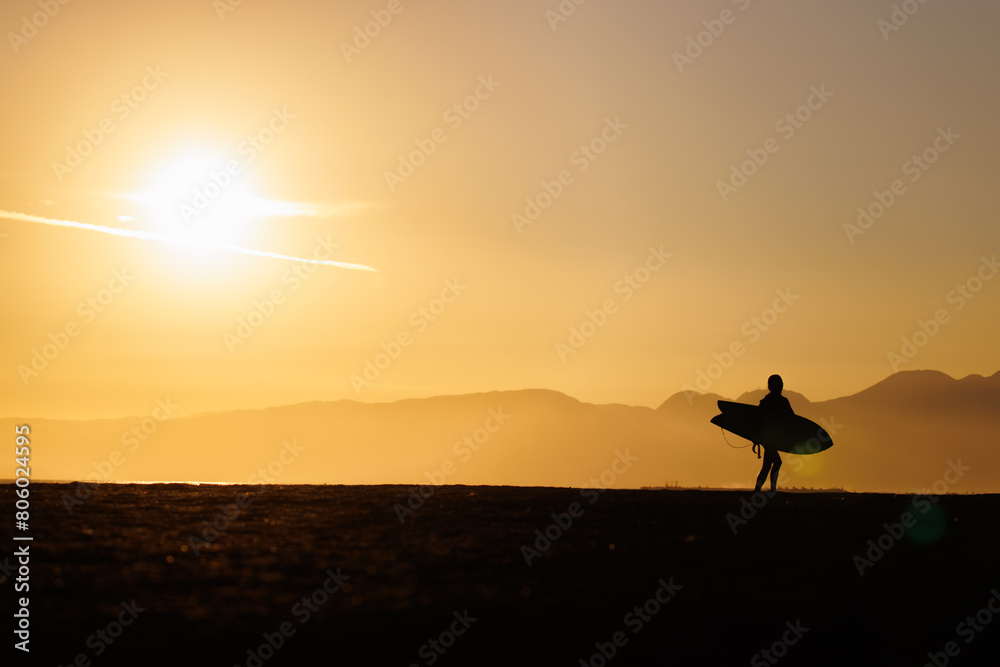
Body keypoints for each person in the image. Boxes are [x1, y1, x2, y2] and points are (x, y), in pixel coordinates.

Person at [754, 374, 793, 492]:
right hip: (769, 438)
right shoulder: (771, 401)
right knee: (773, 463)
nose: (781, 385)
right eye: (778, 383)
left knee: (770, 464)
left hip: (771, 438)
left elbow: (792, 418)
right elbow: (758, 419)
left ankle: (764, 489)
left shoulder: (774, 400)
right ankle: (769, 489)